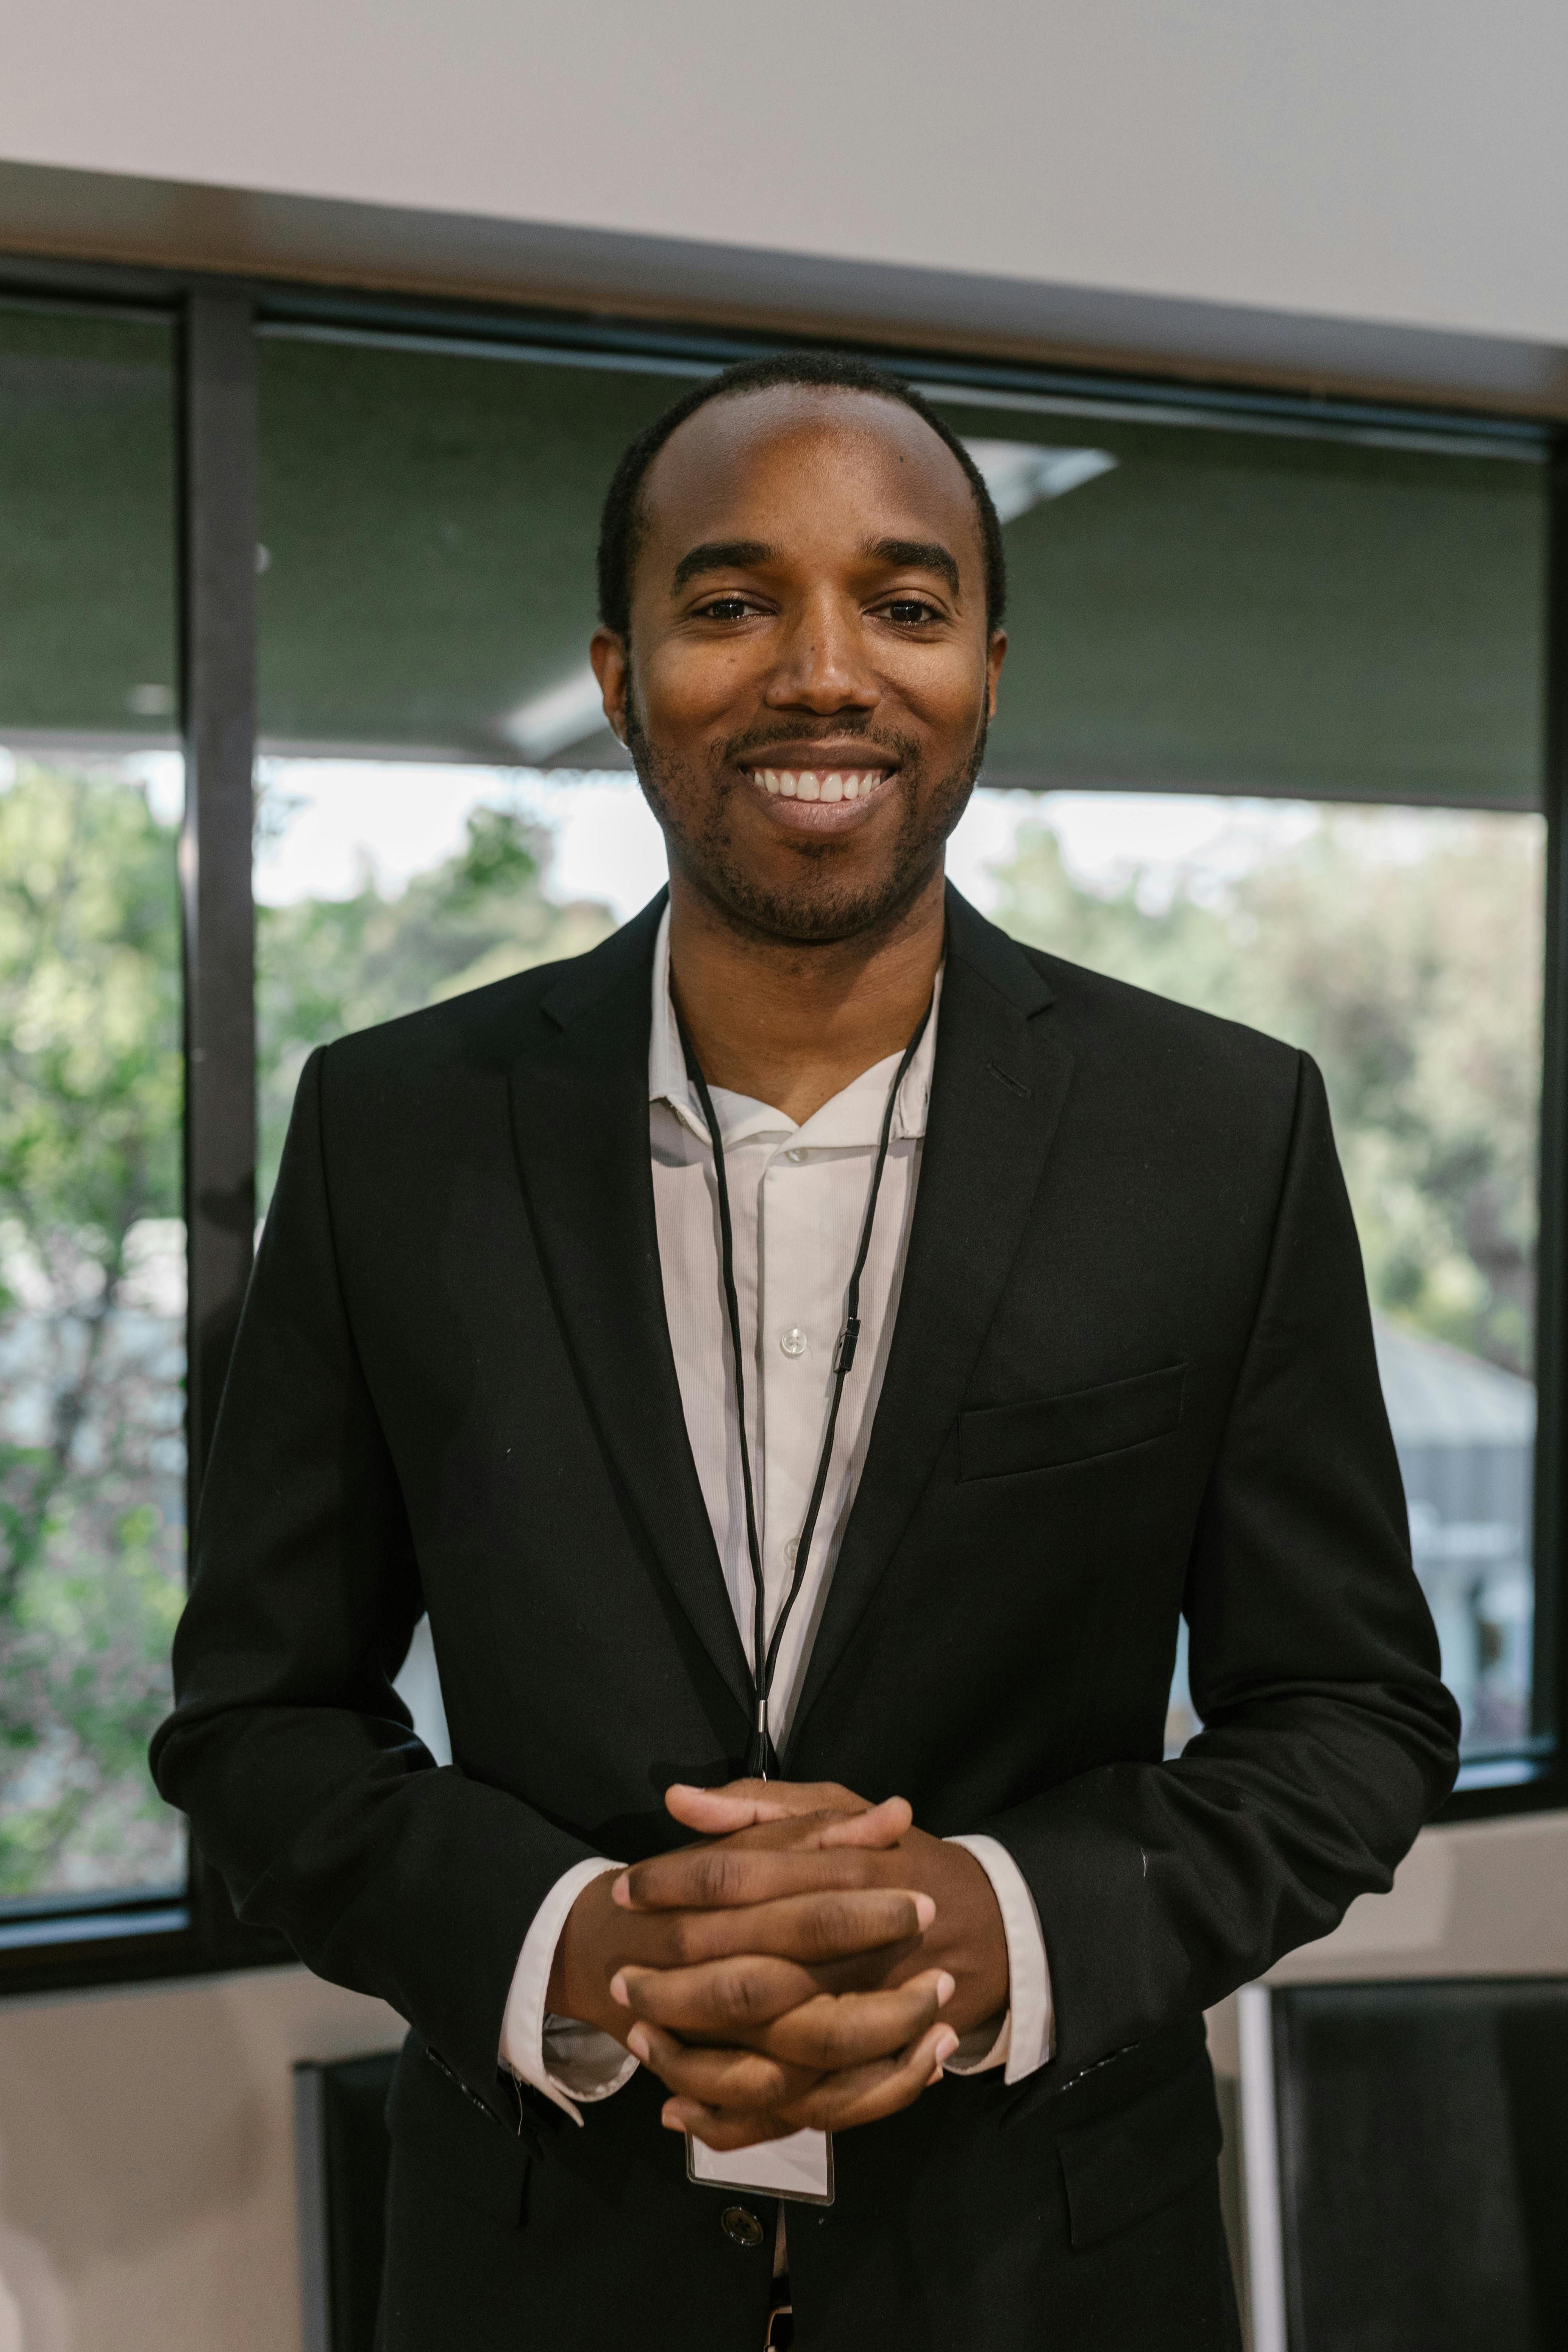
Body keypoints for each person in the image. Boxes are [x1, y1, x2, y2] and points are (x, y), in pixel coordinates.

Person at [152, 352, 1460, 2351]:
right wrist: (568, 1940)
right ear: (619, 671)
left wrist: (1001, 1924)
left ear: (987, 668)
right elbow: (255, 1721)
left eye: (905, 602)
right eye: (734, 597)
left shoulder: (1220, 1131)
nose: (824, 673)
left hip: (1055, 2273)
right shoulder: (394, 1131)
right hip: (535, 2271)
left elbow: (1353, 1712)